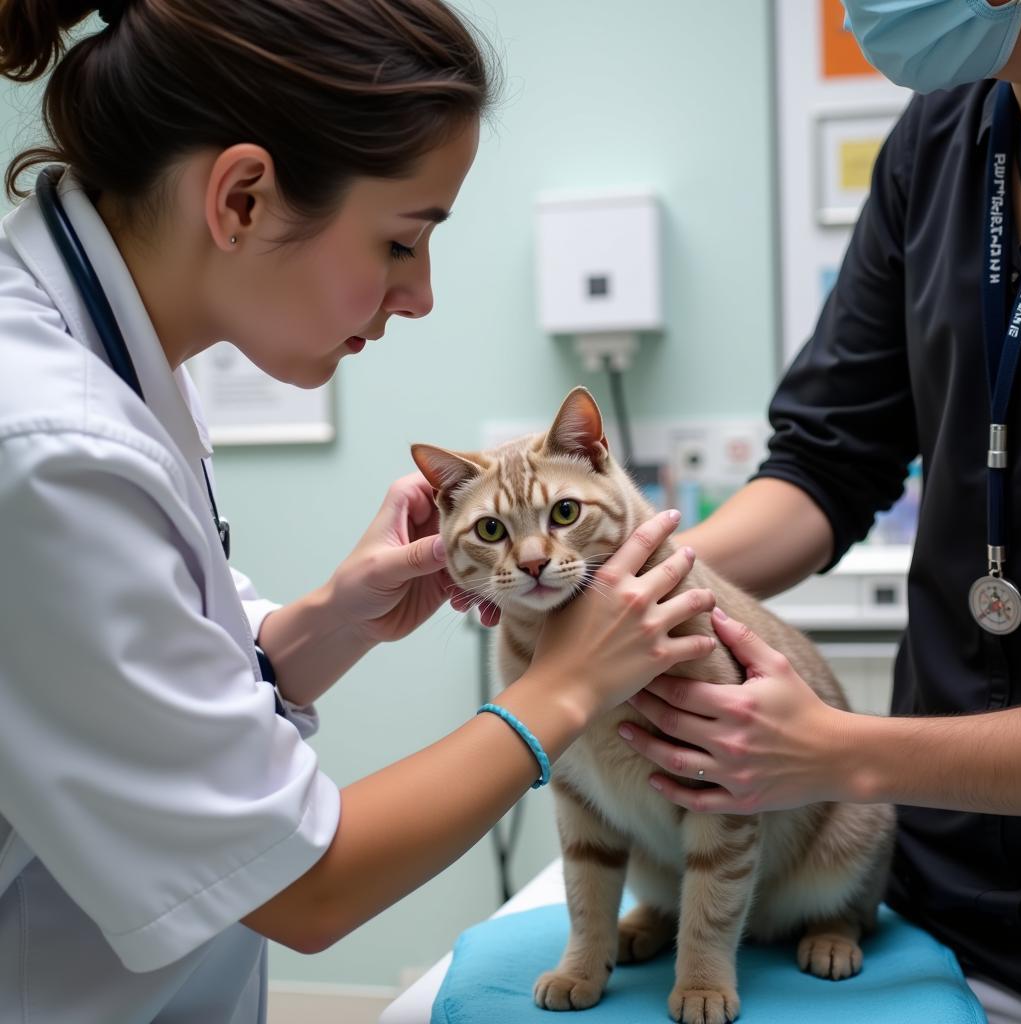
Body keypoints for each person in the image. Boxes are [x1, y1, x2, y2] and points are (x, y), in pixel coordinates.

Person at [0, 3, 722, 1021]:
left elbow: (149, 676)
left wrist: (329, 619)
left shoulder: (113, 368)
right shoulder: (45, 443)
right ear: (243, 198)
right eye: (400, 242)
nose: (420, 295)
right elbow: (304, 883)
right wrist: (567, 685)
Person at [615, 3, 1021, 1023]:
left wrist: (844, 751)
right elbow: (825, 465)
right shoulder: (939, 141)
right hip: (943, 898)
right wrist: (635, 588)